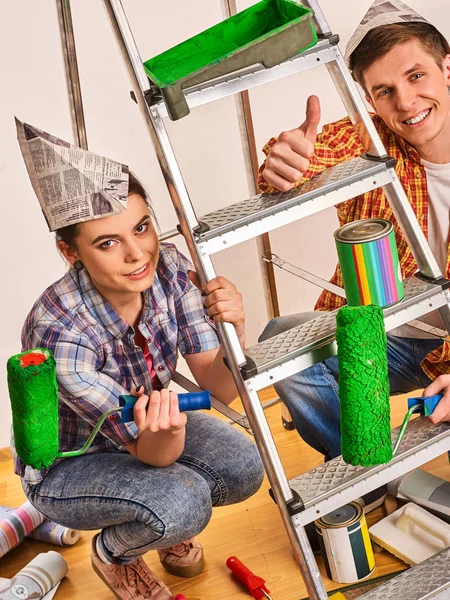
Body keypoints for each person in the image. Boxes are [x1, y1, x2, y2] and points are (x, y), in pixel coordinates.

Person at [14, 125, 264, 599]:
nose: (137, 255)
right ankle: (117, 551)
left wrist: (237, 330)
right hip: (71, 465)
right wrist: (168, 437)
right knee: (182, 502)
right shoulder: (57, 331)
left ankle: (156, 517)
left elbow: (220, 384)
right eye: (107, 243)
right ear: (71, 253)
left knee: (245, 464)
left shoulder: (167, 266)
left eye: (141, 227)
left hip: (151, 426)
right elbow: (156, 453)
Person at [258, 0, 450, 465]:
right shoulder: (373, 141)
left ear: (448, 68)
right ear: (369, 101)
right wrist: (283, 164)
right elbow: (308, 153)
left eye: (416, 76)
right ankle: (367, 464)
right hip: (391, 340)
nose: (404, 103)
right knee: (281, 342)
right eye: (384, 91)